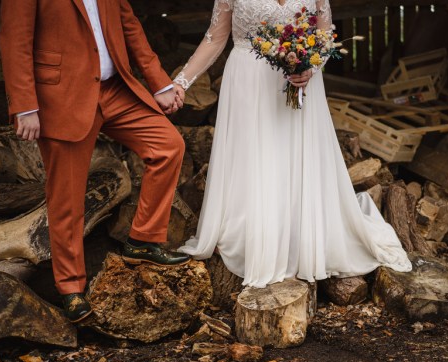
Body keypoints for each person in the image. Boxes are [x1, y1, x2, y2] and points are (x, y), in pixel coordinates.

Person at [176, 0, 412, 288]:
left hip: (300, 85)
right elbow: (214, 39)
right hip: (249, 86)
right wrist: (180, 83)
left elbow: (324, 37)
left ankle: (301, 239)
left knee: (296, 161)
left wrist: (311, 67)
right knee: (256, 161)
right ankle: (253, 236)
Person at [0, 0, 190, 322]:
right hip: (61, 96)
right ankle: (71, 289)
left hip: (115, 91)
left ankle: (143, 239)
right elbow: (14, 40)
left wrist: (159, 82)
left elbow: (130, 26)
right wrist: (25, 105)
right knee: (67, 199)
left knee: (168, 146)